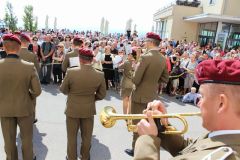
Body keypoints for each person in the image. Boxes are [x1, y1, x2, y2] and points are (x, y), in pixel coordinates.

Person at [134, 59, 240, 160]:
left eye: (202, 96)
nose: (198, 103)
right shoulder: (221, 137)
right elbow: (193, 151)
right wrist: (161, 127)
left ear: (221, 103)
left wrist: (146, 140)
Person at [125, 32, 169, 156]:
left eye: (145, 41)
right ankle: (146, 148)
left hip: (139, 96)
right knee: (150, 123)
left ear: (150, 42)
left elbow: (135, 79)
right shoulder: (162, 58)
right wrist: (152, 82)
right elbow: (165, 78)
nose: (144, 43)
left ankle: (136, 150)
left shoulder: (145, 57)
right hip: (152, 96)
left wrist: (133, 69)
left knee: (137, 124)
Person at [0, 34, 41, 160]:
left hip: (5, 109)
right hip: (25, 108)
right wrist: (28, 96)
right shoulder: (29, 67)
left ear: (4, 48)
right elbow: (37, 91)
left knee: (9, 141)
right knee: (27, 139)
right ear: (19, 48)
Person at [60, 48, 106, 160]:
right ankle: (85, 156)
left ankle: (71, 157)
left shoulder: (71, 71)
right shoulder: (99, 74)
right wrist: (92, 98)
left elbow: (63, 90)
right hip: (88, 109)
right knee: (87, 136)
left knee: (71, 136)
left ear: (79, 59)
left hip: (72, 108)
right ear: (92, 60)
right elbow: (102, 94)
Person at [19, 33, 41, 124]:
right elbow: (37, 69)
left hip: (16, 81)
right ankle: (32, 118)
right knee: (32, 100)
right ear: (28, 42)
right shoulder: (32, 55)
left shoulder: (14, 53)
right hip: (29, 81)